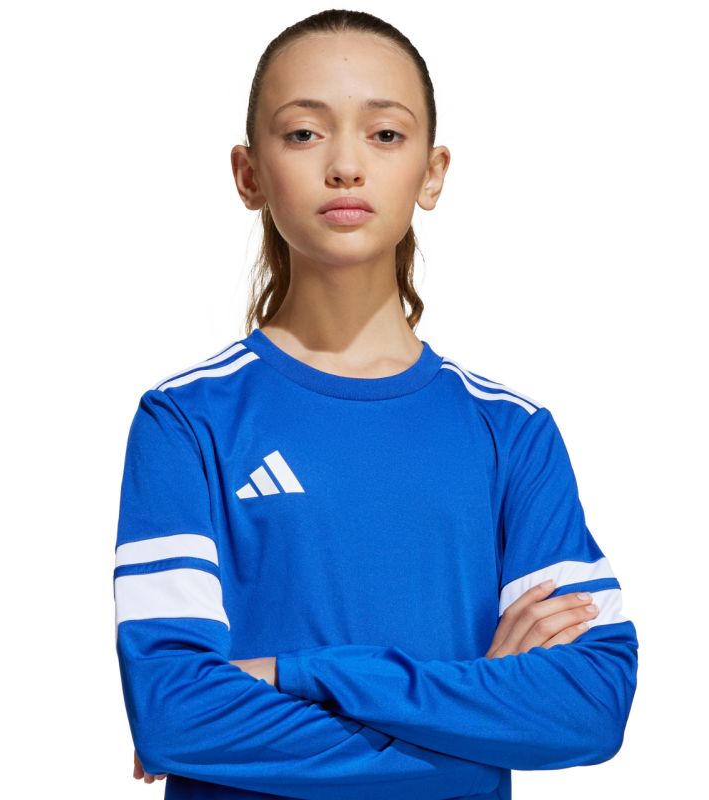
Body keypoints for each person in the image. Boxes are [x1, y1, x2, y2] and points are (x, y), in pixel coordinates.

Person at [113, 9, 639, 799]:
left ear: (433, 172)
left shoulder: (512, 432)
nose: (346, 165)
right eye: (303, 134)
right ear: (249, 174)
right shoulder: (187, 421)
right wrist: (478, 716)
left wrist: (294, 673)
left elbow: (591, 707)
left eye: (386, 134)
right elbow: (177, 716)